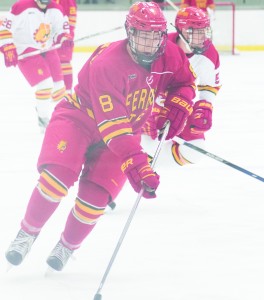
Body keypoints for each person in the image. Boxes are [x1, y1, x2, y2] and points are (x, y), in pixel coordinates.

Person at [5, 1, 196, 272]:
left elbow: (185, 81)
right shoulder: (108, 62)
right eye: (143, 35)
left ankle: (67, 246)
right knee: (56, 180)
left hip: (122, 133)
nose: (149, 43)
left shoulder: (171, 56)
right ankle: (27, 233)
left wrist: (179, 103)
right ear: (130, 33)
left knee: (95, 199)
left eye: (155, 35)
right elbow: (113, 124)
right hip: (79, 120)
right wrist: (138, 163)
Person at [107, 6, 221, 212]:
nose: (201, 36)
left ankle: (149, 161)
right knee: (127, 148)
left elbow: (209, 84)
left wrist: (205, 105)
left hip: (180, 109)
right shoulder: (160, 46)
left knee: (196, 150)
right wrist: (149, 112)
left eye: (204, 30)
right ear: (180, 31)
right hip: (148, 108)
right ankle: (106, 187)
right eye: (194, 31)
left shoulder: (210, 54)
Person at [0, 0, 73, 133]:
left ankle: (58, 118)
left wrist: (64, 38)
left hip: (48, 48)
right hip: (26, 49)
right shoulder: (21, 7)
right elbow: (4, 28)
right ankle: (43, 118)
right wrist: (7, 46)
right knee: (45, 85)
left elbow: (62, 30)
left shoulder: (57, 9)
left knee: (59, 89)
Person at [54, 0, 77, 93]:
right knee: (51, 63)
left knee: (64, 62)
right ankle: (56, 90)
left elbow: (71, 18)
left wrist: (68, 35)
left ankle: (67, 90)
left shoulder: (68, 1)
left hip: (64, 37)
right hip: (48, 37)